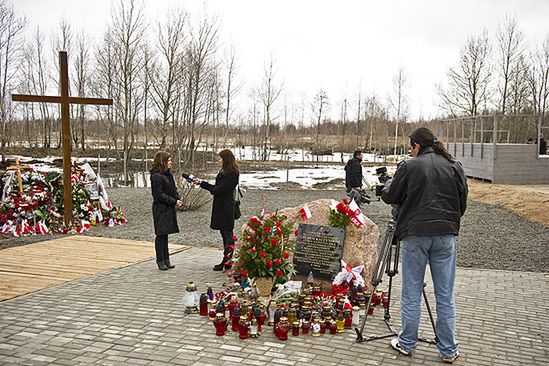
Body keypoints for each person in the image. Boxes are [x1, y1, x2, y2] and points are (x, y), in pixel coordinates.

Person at [381, 127, 468, 364]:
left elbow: (391, 196)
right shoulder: (454, 166)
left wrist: (387, 185)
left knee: (411, 291)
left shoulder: (410, 166)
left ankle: (407, 343)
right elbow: (462, 202)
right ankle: (448, 350)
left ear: (417, 146)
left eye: (411, 147)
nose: (411, 151)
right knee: (445, 295)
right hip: (445, 236)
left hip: (415, 235)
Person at [193, 149, 240, 271]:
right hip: (221, 207)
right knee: (224, 233)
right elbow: (216, 188)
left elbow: (217, 190)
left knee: (228, 234)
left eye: (220, 158)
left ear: (226, 159)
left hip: (226, 208)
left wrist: (204, 184)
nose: (218, 160)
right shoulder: (224, 172)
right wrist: (202, 183)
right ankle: (226, 259)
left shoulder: (232, 174)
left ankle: (227, 260)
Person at [150, 151, 183, 271]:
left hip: (168, 208)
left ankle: (166, 259)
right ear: (162, 162)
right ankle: (160, 260)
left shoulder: (168, 175)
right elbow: (159, 194)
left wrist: (177, 199)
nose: (171, 163)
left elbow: (173, 189)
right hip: (161, 208)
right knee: (160, 234)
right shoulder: (156, 176)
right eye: (168, 160)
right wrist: (173, 201)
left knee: (166, 234)